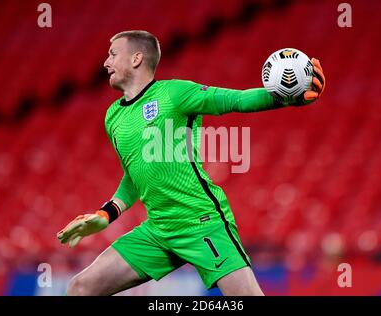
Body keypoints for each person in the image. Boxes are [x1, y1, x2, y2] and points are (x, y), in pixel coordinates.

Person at [57, 30, 325, 296]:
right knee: (80, 289)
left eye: (113, 54)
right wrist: (106, 214)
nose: (106, 62)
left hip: (202, 222)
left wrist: (290, 97)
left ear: (137, 58)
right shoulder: (113, 117)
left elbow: (236, 99)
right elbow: (133, 175)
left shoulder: (175, 93)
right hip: (159, 230)